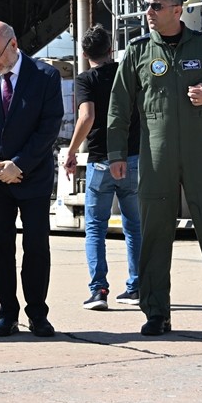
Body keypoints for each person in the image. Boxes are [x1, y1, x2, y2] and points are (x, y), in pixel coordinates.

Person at [107, 0, 202, 337]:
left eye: (155, 6)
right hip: (155, 158)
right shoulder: (137, 52)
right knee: (154, 236)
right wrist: (117, 153)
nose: (147, 12)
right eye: (146, 5)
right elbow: (119, 106)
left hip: (199, 156)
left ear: (177, 9)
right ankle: (156, 314)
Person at [0, 21, 64, 338]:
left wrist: (18, 165)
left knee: (36, 247)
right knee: (0, 249)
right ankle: (7, 313)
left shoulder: (45, 76)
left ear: (13, 45)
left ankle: (37, 313)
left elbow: (49, 126)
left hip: (31, 177)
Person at [63, 25, 142, 311]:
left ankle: (99, 291)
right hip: (133, 158)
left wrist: (71, 152)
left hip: (100, 161)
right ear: (111, 49)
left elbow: (87, 116)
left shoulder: (86, 80)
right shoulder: (126, 72)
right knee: (134, 226)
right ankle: (136, 286)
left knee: (95, 228)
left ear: (84, 54)